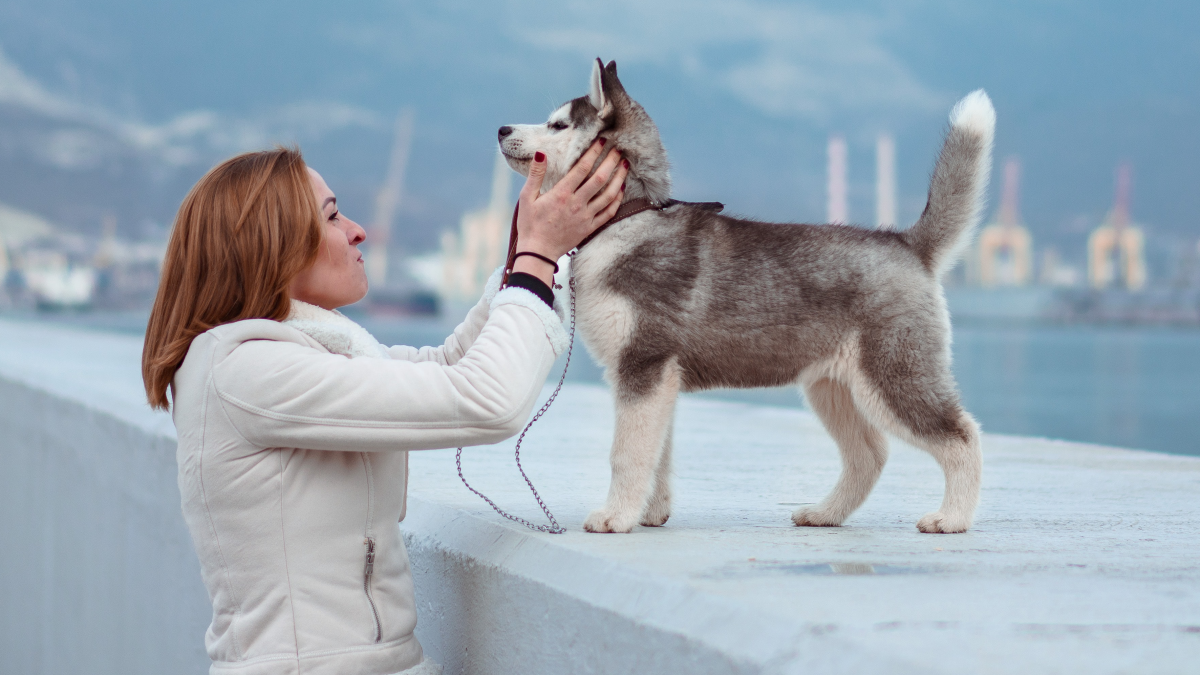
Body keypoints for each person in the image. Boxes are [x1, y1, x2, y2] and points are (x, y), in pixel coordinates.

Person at [141, 141, 628, 675]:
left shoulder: (290, 355)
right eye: (331, 216)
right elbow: (488, 399)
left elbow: (443, 369)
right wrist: (535, 260)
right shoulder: (246, 371)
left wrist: (527, 256)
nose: (357, 230)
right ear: (271, 244)